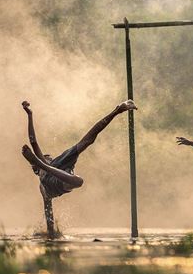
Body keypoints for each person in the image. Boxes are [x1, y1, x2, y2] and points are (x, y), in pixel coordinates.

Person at [21, 99, 137, 238]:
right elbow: (33, 141)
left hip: (59, 173)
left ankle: (117, 110)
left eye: (47, 157)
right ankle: (116, 110)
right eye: (46, 157)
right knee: (78, 180)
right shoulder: (45, 172)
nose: (49, 155)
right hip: (55, 178)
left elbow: (33, 141)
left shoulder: (57, 163)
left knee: (82, 154)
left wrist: (30, 115)